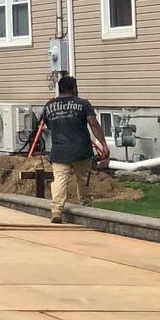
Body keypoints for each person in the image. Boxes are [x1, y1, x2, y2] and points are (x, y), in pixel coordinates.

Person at [40, 74, 110, 223]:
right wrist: (103, 144)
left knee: (59, 180)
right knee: (83, 180)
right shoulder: (83, 104)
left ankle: (56, 210)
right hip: (81, 150)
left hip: (59, 150)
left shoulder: (49, 106)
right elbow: (94, 124)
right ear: (74, 89)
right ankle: (86, 208)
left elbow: (48, 126)